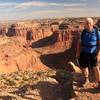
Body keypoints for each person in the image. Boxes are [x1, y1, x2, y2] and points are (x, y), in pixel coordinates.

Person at [76, 17, 100, 88]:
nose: (88, 24)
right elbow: (79, 43)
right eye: (87, 23)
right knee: (84, 67)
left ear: (92, 24)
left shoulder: (97, 32)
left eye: (89, 23)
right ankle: (87, 80)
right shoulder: (83, 32)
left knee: (96, 68)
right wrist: (77, 53)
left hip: (94, 52)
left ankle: (99, 83)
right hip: (84, 52)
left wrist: (98, 53)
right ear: (85, 25)